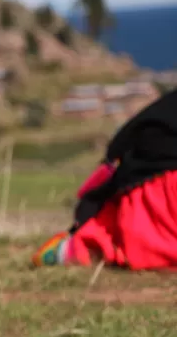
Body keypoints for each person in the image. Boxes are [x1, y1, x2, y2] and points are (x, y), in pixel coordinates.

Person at [32, 89, 177, 270]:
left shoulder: (161, 113)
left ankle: (78, 247)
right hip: (156, 196)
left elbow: (117, 152)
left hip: (141, 201)